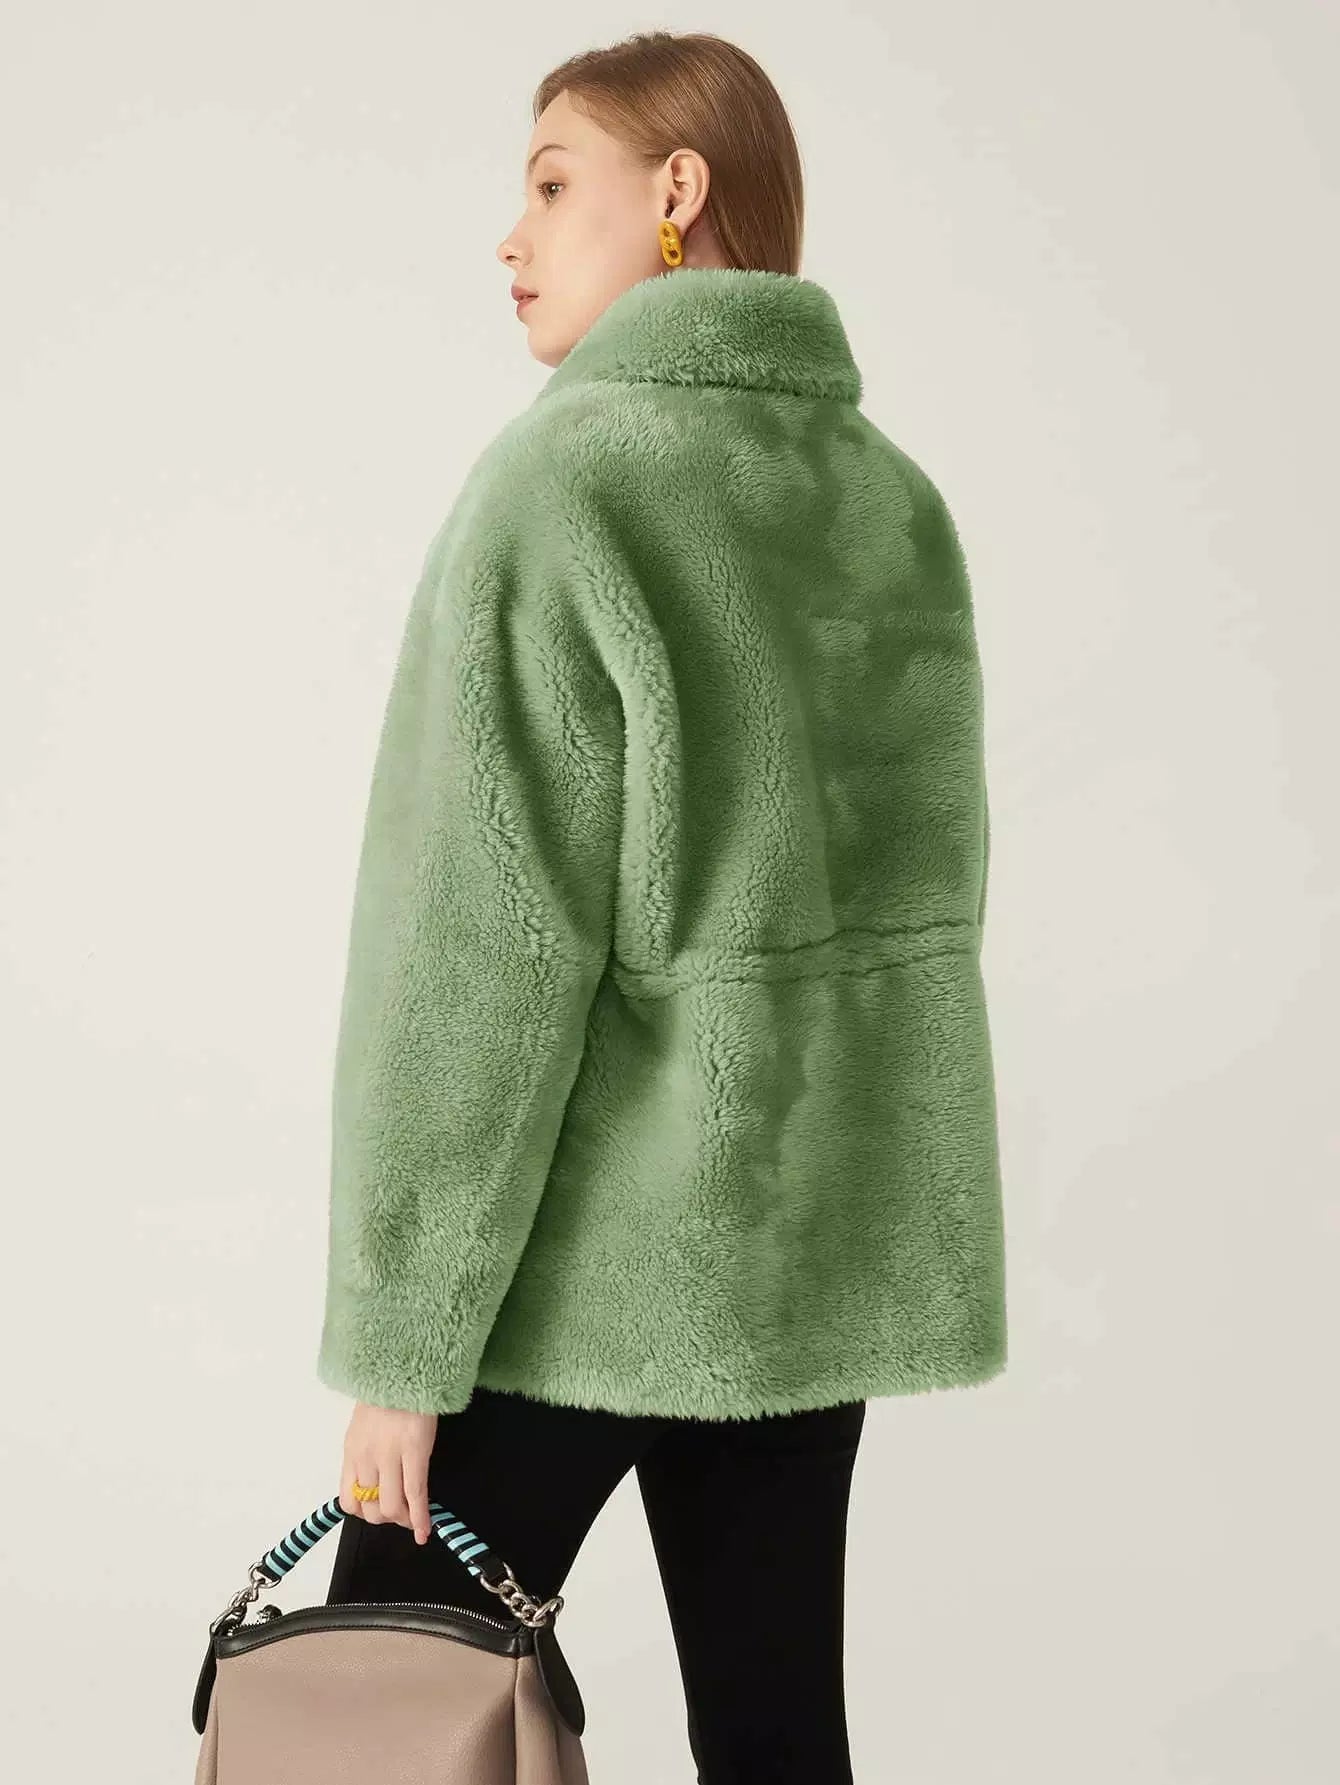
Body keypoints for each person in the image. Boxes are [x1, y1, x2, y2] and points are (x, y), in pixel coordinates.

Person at [315, 28, 1007, 1783]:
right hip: (804, 1263)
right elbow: (920, 920)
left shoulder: (562, 485)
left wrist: (402, 1342)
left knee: (373, 1719)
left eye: (555, 183)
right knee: (776, 1741)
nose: (512, 234)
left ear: (677, 190)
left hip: (581, 1274)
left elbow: (477, 950)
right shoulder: (887, 500)